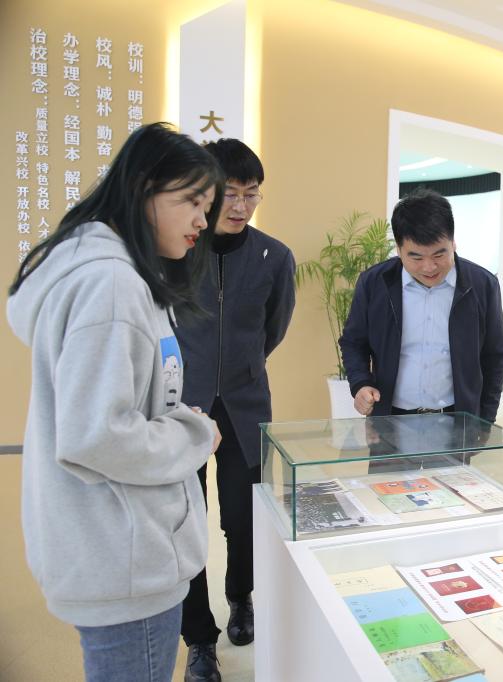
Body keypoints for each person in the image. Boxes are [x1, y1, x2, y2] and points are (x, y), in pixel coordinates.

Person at [6, 122, 223, 682]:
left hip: (113, 547)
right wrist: (195, 433)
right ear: (145, 188)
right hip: (125, 558)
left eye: (207, 206)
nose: (203, 220)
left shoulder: (111, 272)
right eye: (192, 201)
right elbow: (99, 435)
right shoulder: (111, 284)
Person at [173, 139, 296, 682]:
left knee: (244, 518)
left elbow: (275, 327)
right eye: (230, 193)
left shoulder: (275, 256)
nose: (241, 206)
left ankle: (241, 597)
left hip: (246, 406)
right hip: (183, 408)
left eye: (251, 194)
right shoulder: (177, 251)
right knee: (186, 523)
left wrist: (243, 366)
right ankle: (199, 639)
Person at [340, 189, 503, 423]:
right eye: (416, 257)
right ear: (398, 250)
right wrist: (360, 383)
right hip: (390, 420)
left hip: (457, 420)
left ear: (453, 243)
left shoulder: (482, 285)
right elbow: (353, 342)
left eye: (439, 255)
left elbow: (494, 355)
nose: (429, 267)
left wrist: (485, 421)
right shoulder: (374, 283)